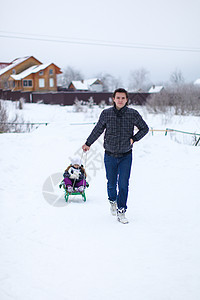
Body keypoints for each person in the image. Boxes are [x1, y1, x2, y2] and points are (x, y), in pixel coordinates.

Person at [82, 88, 149, 224]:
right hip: (110, 155)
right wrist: (88, 143)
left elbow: (145, 128)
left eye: (123, 98)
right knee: (111, 184)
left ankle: (122, 210)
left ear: (126, 100)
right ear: (113, 99)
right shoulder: (106, 114)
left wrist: (134, 139)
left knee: (123, 184)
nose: (120, 100)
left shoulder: (133, 114)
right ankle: (112, 201)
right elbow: (98, 129)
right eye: (118, 98)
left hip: (126, 155)